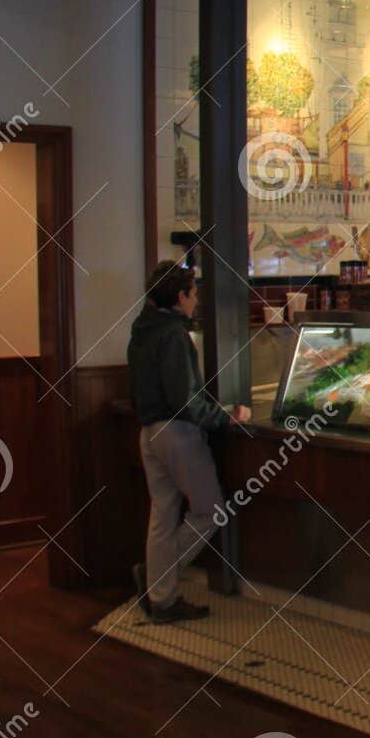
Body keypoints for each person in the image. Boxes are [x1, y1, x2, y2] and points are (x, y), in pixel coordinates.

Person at [127, 261, 250, 623]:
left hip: (148, 432)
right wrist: (225, 418)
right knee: (210, 510)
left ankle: (160, 596)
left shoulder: (142, 329)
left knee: (162, 515)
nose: (196, 301)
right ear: (180, 296)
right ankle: (157, 580)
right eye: (194, 293)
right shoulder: (174, 336)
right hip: (177, 433)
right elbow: (186, 399)